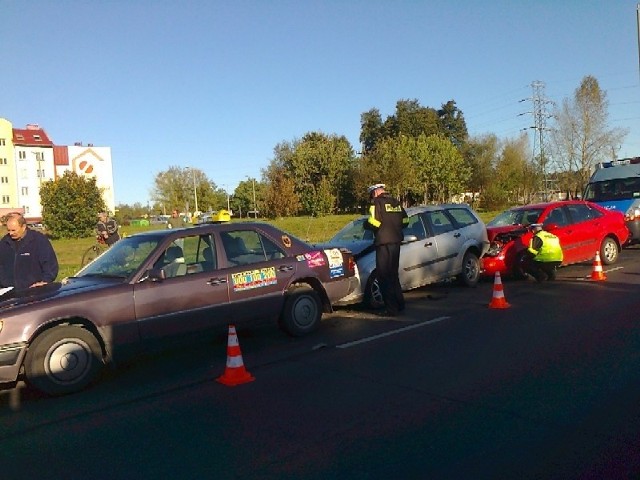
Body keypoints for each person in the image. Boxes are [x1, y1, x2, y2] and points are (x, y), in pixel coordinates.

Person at [363, 183, 409, 316]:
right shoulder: (395, 203)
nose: (372, 197)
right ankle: (400, 304)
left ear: (376, 192)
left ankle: (391, 309)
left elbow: (374, 222)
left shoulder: (376, 203)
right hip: (396, 242)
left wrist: (366, 225)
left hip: (383, 243)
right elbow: (406, 221)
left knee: (383, 276)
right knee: (394, 275)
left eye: (372, 194)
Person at [0, 213, 59, 290]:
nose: (11, 233)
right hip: (8, 292)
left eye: (14, 230)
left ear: (23, 227)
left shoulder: (38, 240)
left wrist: (45, 281)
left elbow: (50, 265)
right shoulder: (4, 242)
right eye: (9, 230)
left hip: (33, 292)